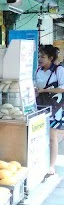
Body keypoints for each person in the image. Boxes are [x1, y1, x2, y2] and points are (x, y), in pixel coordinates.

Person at [35, 44, 64, 176]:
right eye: (39, 56)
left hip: (55, 107)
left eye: (43, 56)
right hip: (40, 106)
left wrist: (44, 90)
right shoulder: (38, 70)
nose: (40, 59)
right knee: (39, 135)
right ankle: (40, 162)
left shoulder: (59, 70)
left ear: (51, 58)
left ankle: (51, 166)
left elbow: (62, 88)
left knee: (52, 136)